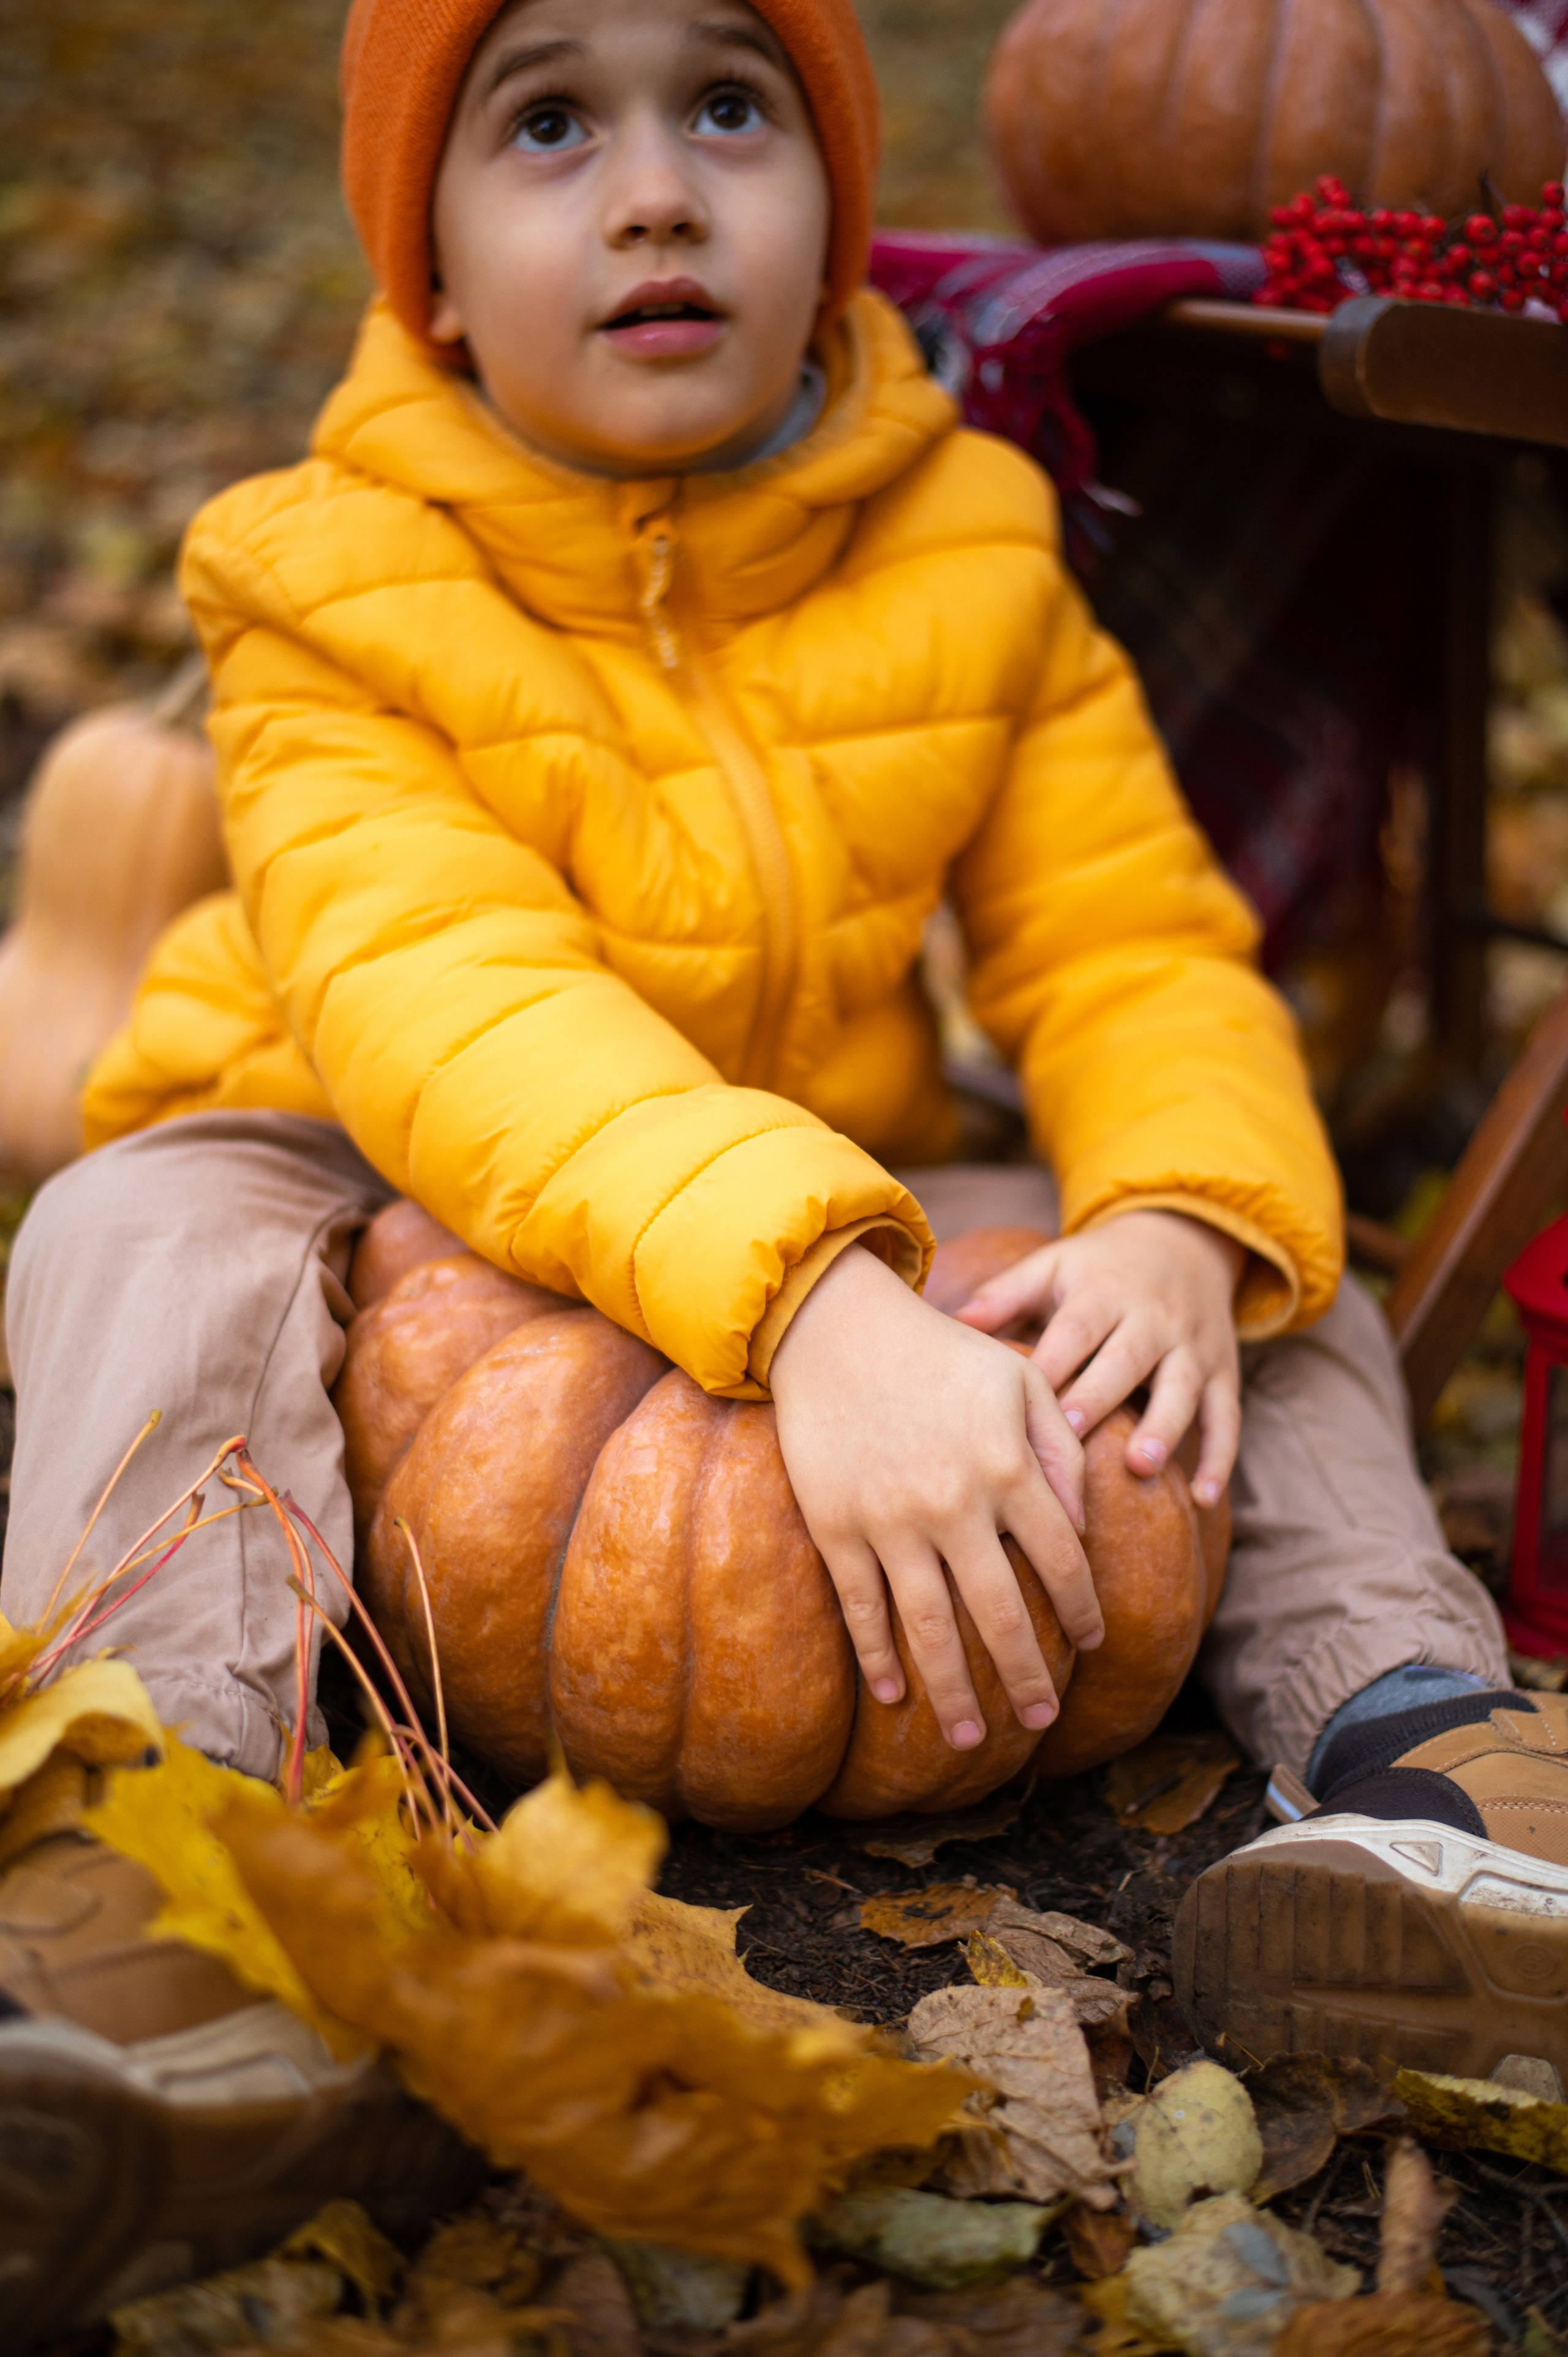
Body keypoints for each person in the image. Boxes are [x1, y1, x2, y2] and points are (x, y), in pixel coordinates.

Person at [0, 0, 1557, 2332]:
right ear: (420, 261)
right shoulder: (312, 574)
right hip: (380, 1147)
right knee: (139, 1224)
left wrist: (1157, 1214)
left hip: (825, 1172)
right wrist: (819, 1301)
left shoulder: (976, 540)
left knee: (1246, 1251)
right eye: (548, 124)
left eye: (731, 106)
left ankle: (1436, 1775)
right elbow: (453, 999)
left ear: (835, 194)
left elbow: (1133, 938)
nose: (657, 190)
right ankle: (162, 1857)